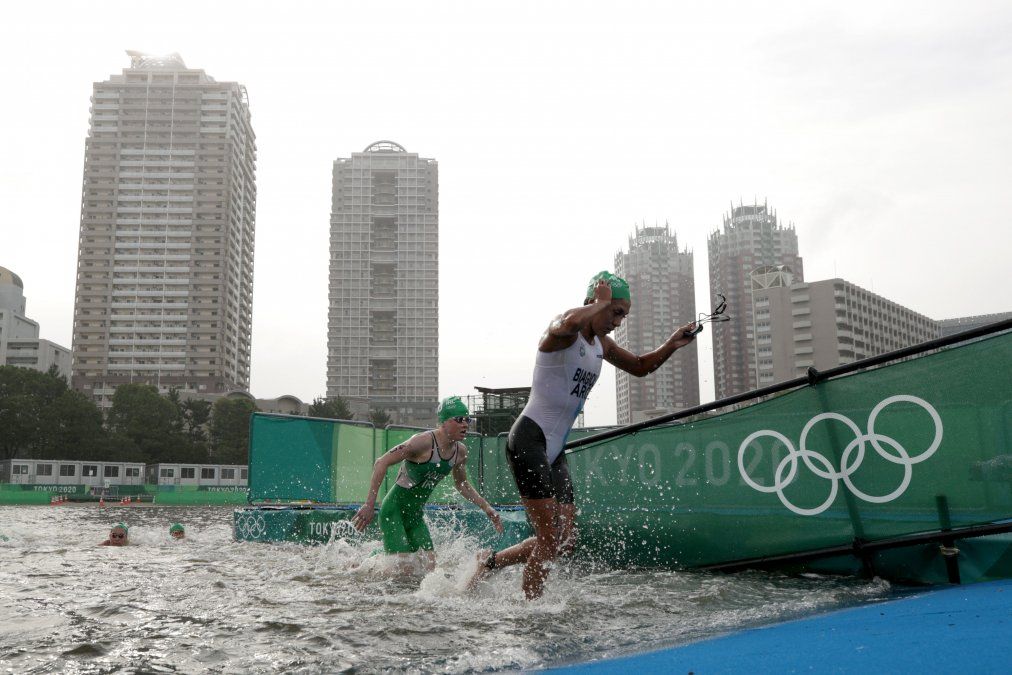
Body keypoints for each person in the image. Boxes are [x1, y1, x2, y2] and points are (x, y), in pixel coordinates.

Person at [468, 271, 697, 599]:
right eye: (615, 312)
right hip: (529, 440)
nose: (618, 321)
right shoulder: (562, 334)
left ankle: (489, 562)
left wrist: (672, 343)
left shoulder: (601, 344)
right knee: (548, 539)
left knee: (564, 540)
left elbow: (640, 366)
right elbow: (567, 322)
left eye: (623, 315)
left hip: (555, 449)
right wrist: (599, 303)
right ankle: (531, 613)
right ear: (594, 302)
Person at [351, 396, 504, 572]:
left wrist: (487, 508)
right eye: (459, 419)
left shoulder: (460, 452)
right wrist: (369, 505)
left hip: (415, 516)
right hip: (393, 512)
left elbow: (462, 484)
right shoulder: (422, 442)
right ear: (444, 422)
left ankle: (373, 558)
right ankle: (362, 567)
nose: (465, 424)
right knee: (402, 570)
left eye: (467, 420)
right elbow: (381, 462)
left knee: (429, 568)